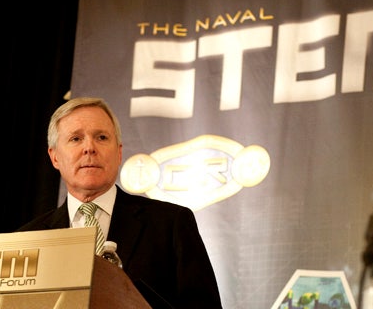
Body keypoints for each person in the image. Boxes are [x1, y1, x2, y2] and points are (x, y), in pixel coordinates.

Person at [18, 97, 223, 308]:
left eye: (102, 137)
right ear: (54, 157)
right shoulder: (27, 240)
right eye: (76, 139)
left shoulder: (170, 224)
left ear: (119, 152)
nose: (89, 147)